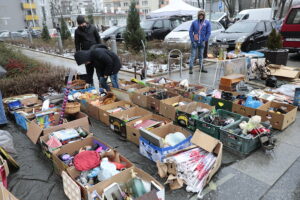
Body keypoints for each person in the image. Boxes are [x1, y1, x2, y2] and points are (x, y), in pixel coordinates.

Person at [75, 15, 101, 86]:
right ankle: (91, 86)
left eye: (82, 23)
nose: (81, 25)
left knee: (99, 70)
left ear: (85, 22)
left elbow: (98, 38)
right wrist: (79, 55)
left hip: (95, 52)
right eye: (80, 24)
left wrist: (100, 48)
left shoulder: (92, 27)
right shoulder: (77, 31)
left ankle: (102, 86)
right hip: (86, 54)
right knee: (89, 71)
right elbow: (77, 44)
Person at [189, 10, 211, 74]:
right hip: (195, 42)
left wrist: (205, 40)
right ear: (198, 15)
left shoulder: (207, 23)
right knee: (193, 55)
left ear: (204, 16)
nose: (201, 16)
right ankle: (190, 69)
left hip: (202, 42)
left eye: (202, 15)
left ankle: (201, 68)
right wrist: (192, 40)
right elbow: (190, 31)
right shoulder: (194, 22)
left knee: (201, 56)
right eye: (200, 15)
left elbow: (208, 32)